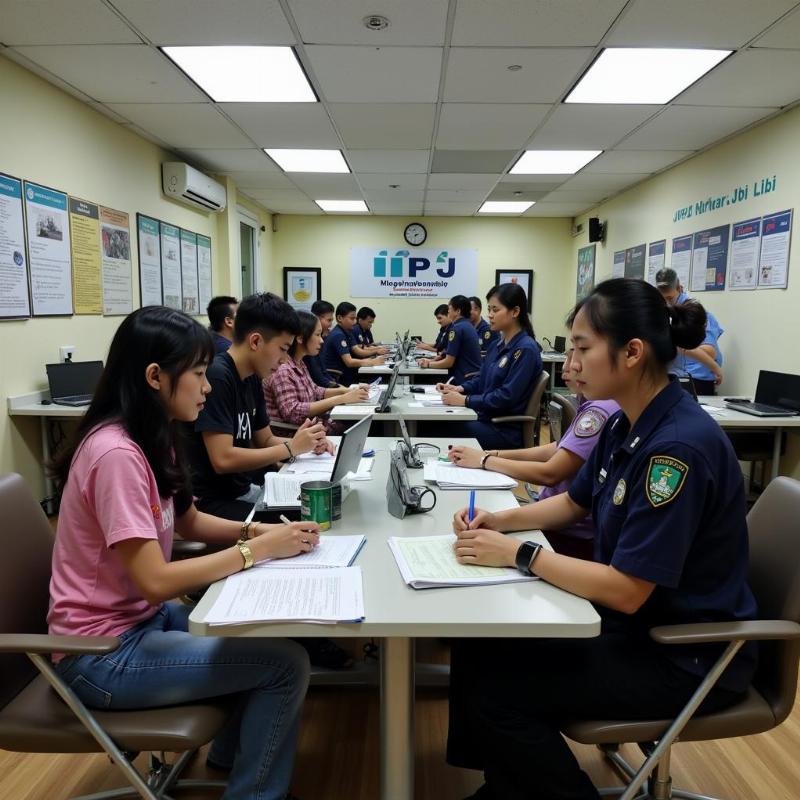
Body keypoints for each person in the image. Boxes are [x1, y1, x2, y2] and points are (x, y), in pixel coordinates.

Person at [447, 278, 757, 800]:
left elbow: (628, 589)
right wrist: (499, 523)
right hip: (635, 627)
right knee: (480, 645)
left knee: (500, 689)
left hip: (683, 654)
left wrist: (520, 554)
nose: (572, 362)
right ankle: (509, 784)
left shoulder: (675, 451)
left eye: (583, 348)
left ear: (632, 352)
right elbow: (573, 503)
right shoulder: (627, 423)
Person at [48, 305, 320, 800]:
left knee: (250, 628)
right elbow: (154, 579)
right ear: (156, 377)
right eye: (197, 374)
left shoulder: (152, 436)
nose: (208, 386)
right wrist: (255, 553)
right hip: (100, 656)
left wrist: (255, 533)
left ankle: (228, 757)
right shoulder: (116, 455)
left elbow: (189, 520)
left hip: (139, 623)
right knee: (286, 664)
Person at [447, 348, 619, 559]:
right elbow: (559, 448)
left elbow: (551, 473)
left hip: (565, 536)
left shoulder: (600, 410)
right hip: (552, 519)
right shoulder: (596, 404)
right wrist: (493, 455)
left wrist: (485, 460)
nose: (568, 366)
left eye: (580, 352)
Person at [186, 292, 332, 524]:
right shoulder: (218, 376)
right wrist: (291, 448)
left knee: (321, 508)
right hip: (213, 503)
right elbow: (222, 459)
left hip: (245, 489)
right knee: (307, 522)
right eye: (283, 349)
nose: (285, 360)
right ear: (255, 341)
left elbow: (264, 440)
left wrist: (307, 443)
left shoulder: (253, 376)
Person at [435, 284, 542, 450]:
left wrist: (466, 400)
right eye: (489, 309)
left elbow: (506, 397)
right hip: (485, 419)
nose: (490, 315)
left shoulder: (525, 349)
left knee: (436, 426)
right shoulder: (496, 345)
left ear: (515, 312)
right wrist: (459, 388)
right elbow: (481, 380)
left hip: (502, 430)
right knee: (438, 421)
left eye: (495, 310)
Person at [265, 310, 370, 436]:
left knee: (360, 423)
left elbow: (315, 391)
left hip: (313, 427)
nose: (321, 341)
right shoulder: (283, 370)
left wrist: (347, 391)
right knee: (361, 426)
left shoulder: (299, 363)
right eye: (317, 335)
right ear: (300, 338)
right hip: (297, 435)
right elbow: (292, 412)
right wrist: (340, 399)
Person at [655, 267, 724, 394]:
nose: (666, 303)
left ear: (679, 289)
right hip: (672, 379)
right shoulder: (661, 314)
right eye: (662, 299)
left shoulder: (695, 314)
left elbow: (710, 352)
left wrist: (675, 347)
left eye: (670, 298)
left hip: (696, 381)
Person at [419, 294, 481, 384]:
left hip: (463, 379)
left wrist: (428, 364)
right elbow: (447, 353)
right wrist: (431, 361)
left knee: (422, 380)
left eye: (450, 309)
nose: (448, 311)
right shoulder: (468, 325)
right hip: (472, 377)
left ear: (458, 311)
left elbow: (448, 362)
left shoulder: (457, 328)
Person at [320, 301, 385, 386]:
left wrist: (371, 358)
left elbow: (357, 350)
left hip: (349, 373)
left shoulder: (348, 331)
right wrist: (371, 362)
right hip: (340, 378)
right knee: (381, 379)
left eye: (355, 318)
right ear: (340, 318)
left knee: (380, 378)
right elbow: (349, 362)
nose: (355, 322)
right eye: (352, 318)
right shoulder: (338, 335)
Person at [306, 300, 338, 388]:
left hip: (324, 385)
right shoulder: (310, 341)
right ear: (316, 318)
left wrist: (336, 385)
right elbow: (317, 377)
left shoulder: (324, 336)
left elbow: (323, 370)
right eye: (329, 320)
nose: (331, 325)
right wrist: (339, 389)